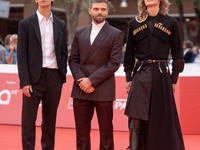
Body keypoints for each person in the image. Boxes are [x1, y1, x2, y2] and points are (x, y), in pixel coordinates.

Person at [123, 0, 185, 150]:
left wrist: (174, 79)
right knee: (136, 120)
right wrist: (129, 78)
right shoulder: (134, 23)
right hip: (140, 74)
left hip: (162, 75)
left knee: (161, 118)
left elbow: (178, 54)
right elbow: (129, 54)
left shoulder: (171, 23)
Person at [69, 0, 122, 149]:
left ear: (107, 12)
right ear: (89, 10)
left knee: (106, 134)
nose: (100, 12)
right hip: (81, 89)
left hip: (103, 89)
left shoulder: (115, 34)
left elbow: (114, 63)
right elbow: (73, 59)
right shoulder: (79, 32)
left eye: (103, 9)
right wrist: (82, 81)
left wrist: (91, 80)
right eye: (96, 9)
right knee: (81, 134)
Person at [17, 0, 68, 149]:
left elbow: (64, 52)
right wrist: (24, 81)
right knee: (28, 120)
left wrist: (61, 75)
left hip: (54, 77)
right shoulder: (25, 24)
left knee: (50, 120)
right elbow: (21, 55)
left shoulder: (61, 24)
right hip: (32, 79)